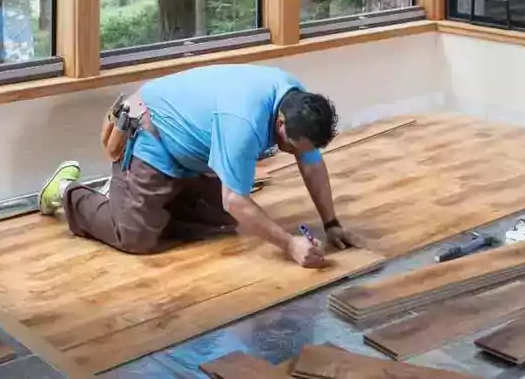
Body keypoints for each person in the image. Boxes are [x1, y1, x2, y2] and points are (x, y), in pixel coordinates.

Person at [37, 64, 351, 268]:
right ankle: (68, 191)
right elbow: (235, 199)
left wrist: (332, 223)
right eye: (293, 148)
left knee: (219, 223)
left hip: (193, 152)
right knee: (135, 236)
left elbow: (312, 165)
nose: (298, 155)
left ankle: (132, 198)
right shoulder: (243, 123)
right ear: (280, 123)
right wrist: (290, 245)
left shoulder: (297, 102)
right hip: (151, 136)